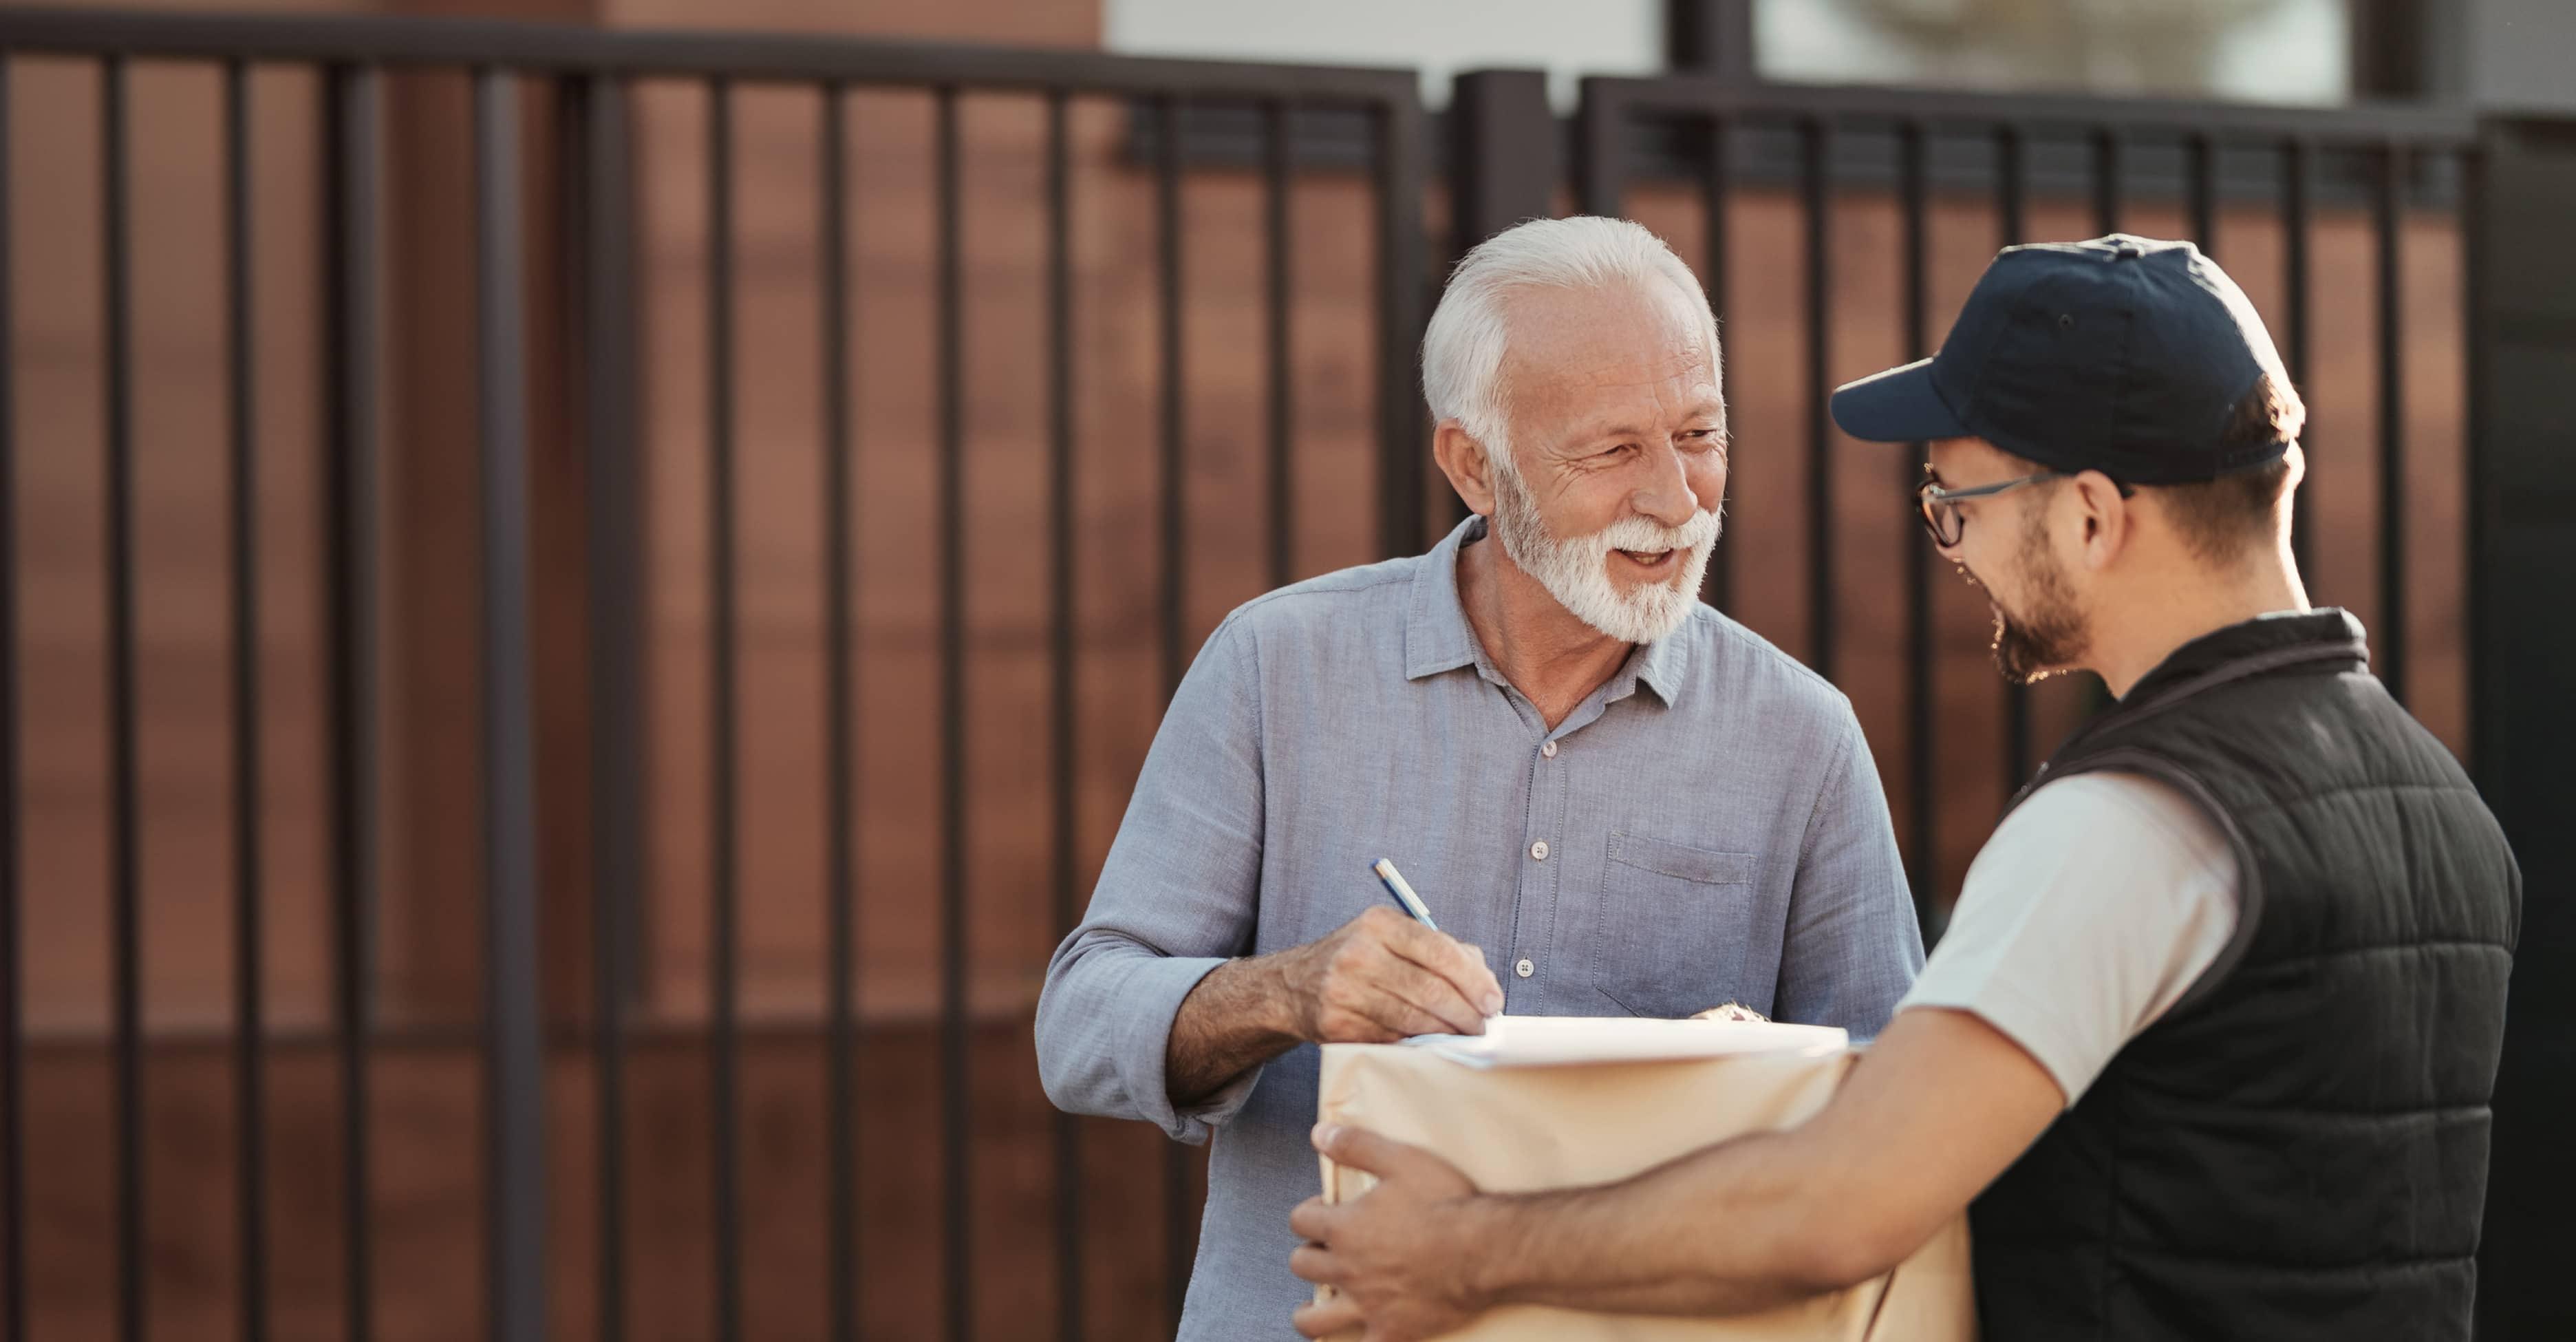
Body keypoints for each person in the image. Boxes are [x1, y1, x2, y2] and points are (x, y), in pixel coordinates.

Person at [1287, 235, 2520, 1342]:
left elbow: (1841, 1203)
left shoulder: (2131, 822)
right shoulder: (2439, 802)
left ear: (2091, 516)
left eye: (1958, 505)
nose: (1959, 551)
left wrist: (1461, 1252)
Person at [1033, 216, 1926, 1338]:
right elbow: (1080, 1025)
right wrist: (1287, 992)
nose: (1679, 494)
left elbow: (1896, 1118)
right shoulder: (1277, 665)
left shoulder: (1804, 737)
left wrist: (1757, 1074)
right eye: (1612, 450)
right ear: (1473, 465)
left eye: (1701, 433)